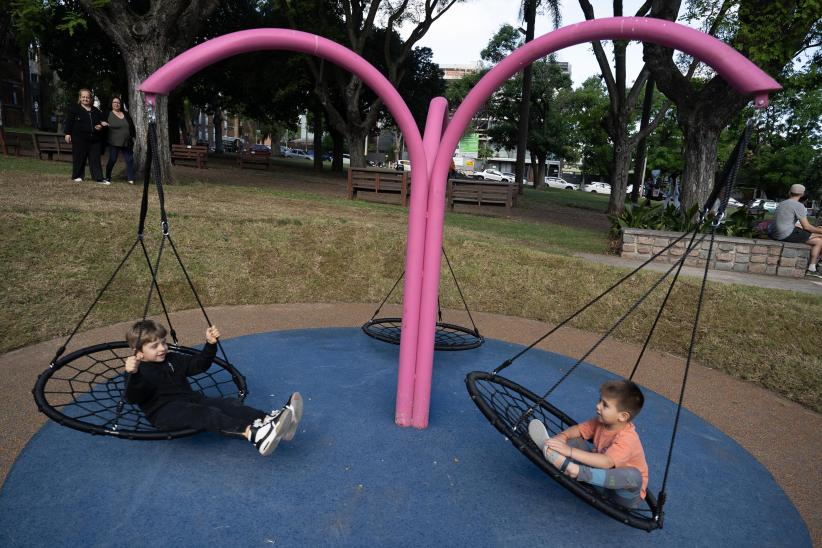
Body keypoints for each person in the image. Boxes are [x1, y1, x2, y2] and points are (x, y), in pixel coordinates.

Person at [124, 319, 303, 456]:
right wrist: (133, 374)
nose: (162, 348)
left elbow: (199, 365)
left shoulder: (172, 359)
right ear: (138, 352)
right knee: (206, 414)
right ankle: (253, 434)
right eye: (154, 346)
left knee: (227, 405)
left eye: (163, 342)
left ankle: (274, 421)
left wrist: (210, 344)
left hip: (190, 400)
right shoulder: (138, 371)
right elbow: (132, 397)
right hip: (164, 412)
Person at [528, 379, 649, 509]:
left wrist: (569, 451)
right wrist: (561, 438)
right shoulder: (600, 421)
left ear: (623, 416)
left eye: (605, 405)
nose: (598, 406)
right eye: (599, 401)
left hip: (623, 495)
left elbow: (607, 462)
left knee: (632, 475)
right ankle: (552, 451)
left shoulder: (628, 438)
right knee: (575, 441)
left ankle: (575, 471)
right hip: (598, 480)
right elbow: (579, 429)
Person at [768, 184, 822, 279]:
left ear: (790, 192)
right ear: (802, 194)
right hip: (786, 235)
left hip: (775, 234)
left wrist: (817, 230)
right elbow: (807, 227)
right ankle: (812, 268)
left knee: (817, 236)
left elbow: (789, 223)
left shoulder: (782, 203)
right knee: (819, 241)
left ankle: (815, 264)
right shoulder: (798, 205)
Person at [63, 88, 106, 184]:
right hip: (79, 139)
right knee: (79, 158)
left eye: (87, 97)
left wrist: (100, 126)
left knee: (95, 159)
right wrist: (67, 133)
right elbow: (69, 122)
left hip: (94, 139)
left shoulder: (96, 110)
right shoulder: (74, 109)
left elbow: (101, 122)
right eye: (83, 97)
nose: (85, 99)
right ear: (80, 98)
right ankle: (77, 176)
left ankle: (98, 178)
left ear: (90, 99)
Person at [103, 96, 136, 184]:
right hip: (113, 142)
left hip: (126, 142)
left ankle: (130, 179)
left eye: (118, 102)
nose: (116, 104)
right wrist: (102, 123)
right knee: (112, 159)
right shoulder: (107, 113)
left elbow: (131, 125)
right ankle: (107, 177)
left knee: (129, 159)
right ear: (111, 104)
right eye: (114, 102)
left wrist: (133, 136)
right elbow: (101, 122)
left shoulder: (126, 114)